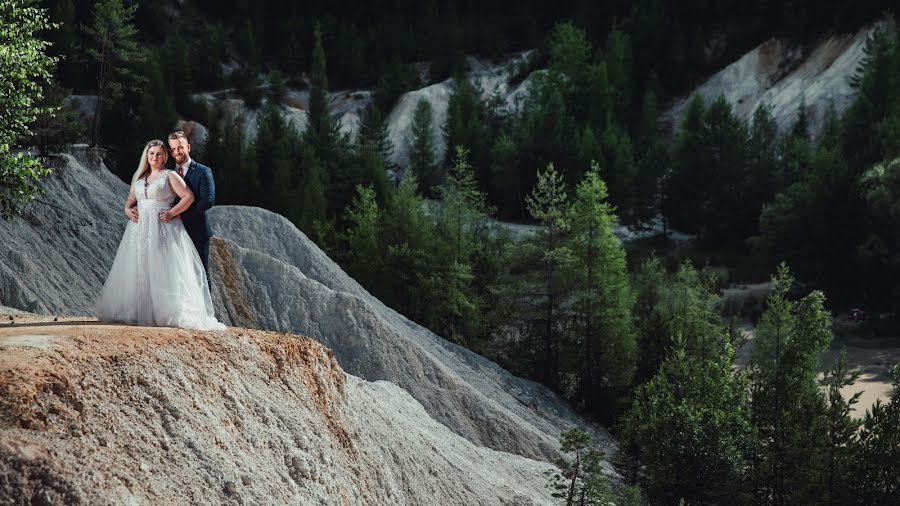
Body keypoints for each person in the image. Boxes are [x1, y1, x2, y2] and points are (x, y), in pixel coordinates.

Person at [96, 139, 224, 330]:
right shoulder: (139, 177)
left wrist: (172, 212)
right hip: (140, 230)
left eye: (158, 154)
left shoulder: (170, 175)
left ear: (164, 157)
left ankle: (166, 311)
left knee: (164, 268)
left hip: (164, 228)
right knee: (140, 266)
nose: (154, 157)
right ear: (146, 156)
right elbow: (130, 200)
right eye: (151, 153)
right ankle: (139, 309)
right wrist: (127, 210)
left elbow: (188, 196)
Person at [167, 130, 215, 285]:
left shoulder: (203, 171)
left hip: (197, 230)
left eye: (180, 147)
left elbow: (207, 201)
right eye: (173, 149)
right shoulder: (168, 172)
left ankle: (206, 310)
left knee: (200, 272)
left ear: (188, 147)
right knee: (176, 273)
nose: (177, 152)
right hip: (172, 230)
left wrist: (182, 215)